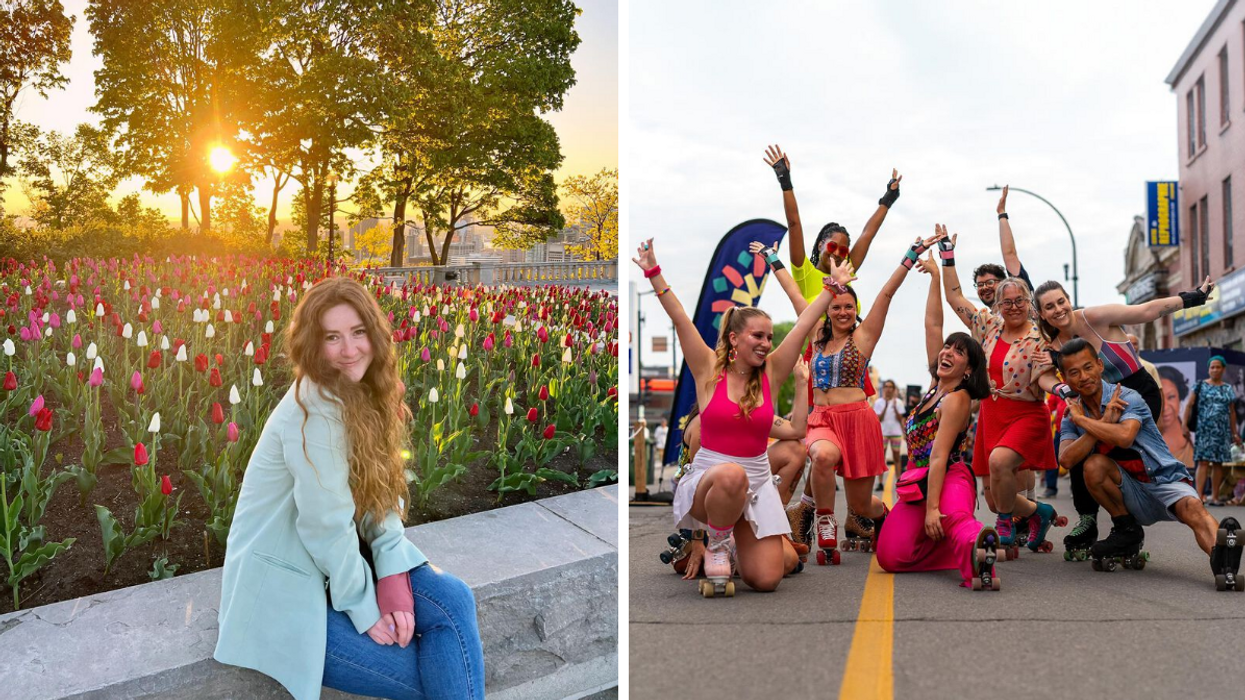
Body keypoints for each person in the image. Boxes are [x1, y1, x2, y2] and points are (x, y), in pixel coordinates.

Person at [215, 277, 484, 700]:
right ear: (312, 345)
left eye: (359, 332)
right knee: (434, 677)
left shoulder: (362, 393)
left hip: (336, 566)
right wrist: (365, 606)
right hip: (286, 588)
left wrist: (393, 572)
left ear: (374, 334)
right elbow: (325, 524)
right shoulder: (312, 409)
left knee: (454, 599)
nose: (349, 349)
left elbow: (380, 490)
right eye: (332, 337)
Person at [633, 238, 825, 593]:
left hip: (756, 483)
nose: (767, 343)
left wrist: (832, 289)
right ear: (734, 339)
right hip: (712, 481)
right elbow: (679, 318)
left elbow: (804, 325)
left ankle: (735, 546)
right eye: (758, 335)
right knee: (731, 475)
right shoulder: (708, 368)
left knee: (767, 579)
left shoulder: (770, 374)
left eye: (769, 337)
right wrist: (654, 273)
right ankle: (718, 546)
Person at [762, 146, 901, 548]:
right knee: (812, 453)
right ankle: (800, 517)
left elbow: (868, 236)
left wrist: (887, 200)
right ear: (819, 246)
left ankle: (839, 517)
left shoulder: (846, 277)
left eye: (843, 249)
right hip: (811, 372)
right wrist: (785, 179)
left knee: (832, 457)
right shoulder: (805, 270)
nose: (839, 254)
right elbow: (793, 220)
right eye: (831, 246)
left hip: (842, 367)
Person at [1031, 276, 1212, 553]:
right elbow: (1041, 378)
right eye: (1049, 307)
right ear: (1042, 314)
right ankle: (1093, 519)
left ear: (1068, 300)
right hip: (1094, 402)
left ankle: (1159, 499)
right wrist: (1062, 388)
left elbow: (1146, 311)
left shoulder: (1094, 317)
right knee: (1083, 452)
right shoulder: (1053, 348)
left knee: (1129, 448)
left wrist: (1192, 298)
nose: (1058, 309)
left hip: (1136, 392)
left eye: (1061, 301)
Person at [800, 231, 946, 565]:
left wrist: (911, 254)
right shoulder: (816, 338)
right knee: (821, 456)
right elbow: (796, 295)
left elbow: (886, 292)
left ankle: (883, 520)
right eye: (836, 307)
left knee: (862, 505)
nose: (842, 312)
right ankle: (825, 521)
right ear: (827, 309)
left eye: (849, 307)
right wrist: (776, 261)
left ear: (856, 310)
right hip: (822, 419)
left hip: (859, 422)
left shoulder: (864, 337)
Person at [1055, 338, 1242, 586]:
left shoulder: (1127, 397)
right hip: (1129, 490)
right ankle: (1126, 530)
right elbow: (1066, 459)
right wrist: (1086, 425)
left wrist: (1085, 422)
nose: (1084, 376)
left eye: (1088, 367)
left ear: (1100, 365)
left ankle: (1222, 560)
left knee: (1193, 510)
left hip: (1163, 478)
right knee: (1093, 465)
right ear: (1065, 378)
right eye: (1074, 372)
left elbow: (1124, 437)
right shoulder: (1073, 416)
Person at [939, 224, 1068, 555]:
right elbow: (954, 296)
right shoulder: (987, 326)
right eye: (1007, 301)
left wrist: (1061, 389)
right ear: (998, 304)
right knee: (995, 499)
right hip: (991, 414)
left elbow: (1042, 377)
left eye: (1019, 300)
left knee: (1001, 464)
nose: (1013, 306)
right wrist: (947, 256)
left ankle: (1007, 524)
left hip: (1026, 413)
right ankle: (1040, 514)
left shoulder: (1039, 336)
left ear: (1029, 302)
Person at [874, 252, 998, 589]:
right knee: (889, 556)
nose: (947, 353)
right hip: (919, 481)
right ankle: (954, 549)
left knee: (954, 518)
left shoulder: (957, 397)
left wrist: (931, 511)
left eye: (959, 352)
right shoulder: (934, 387)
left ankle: (976, 549)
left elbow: (940, 455)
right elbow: (932, 324)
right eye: (947, 348)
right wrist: (933, 278)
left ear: (969, 369)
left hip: (951, 476)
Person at [1185, 356, 1244, 506]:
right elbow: (1189, 405)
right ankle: (1199, 496)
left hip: (1222, 431)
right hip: (1204, 430)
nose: (1215, 369)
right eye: (1212, 367)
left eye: (1218, 367)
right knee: (1203, 462)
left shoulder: (1227, 388)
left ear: (1223, 369)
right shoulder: (1200, 385)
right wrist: (1183, 425)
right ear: (1208, 369)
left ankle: (1215, 497)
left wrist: (1234, 432)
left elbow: (1232, 412)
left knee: (1218, 463)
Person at [1157, 365, 1194, 468]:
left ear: (1179, 397)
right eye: (1159, 399)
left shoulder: (1194, 441)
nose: (1165, 407)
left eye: (1171, 397)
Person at [874, 380, 907, 471]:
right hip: (883, 433)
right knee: (881, 458)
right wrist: (885, 405)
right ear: (883, 388)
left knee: (897, 457)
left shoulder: (899, 402)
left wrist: (895, 407)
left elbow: (901, 419)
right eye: (886, 386)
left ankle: (898, 480)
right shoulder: (878, 402)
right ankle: (880, 483)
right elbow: (879, 419)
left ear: (893, 389)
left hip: (895, 433)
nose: (888, 389)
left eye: (890, 387)